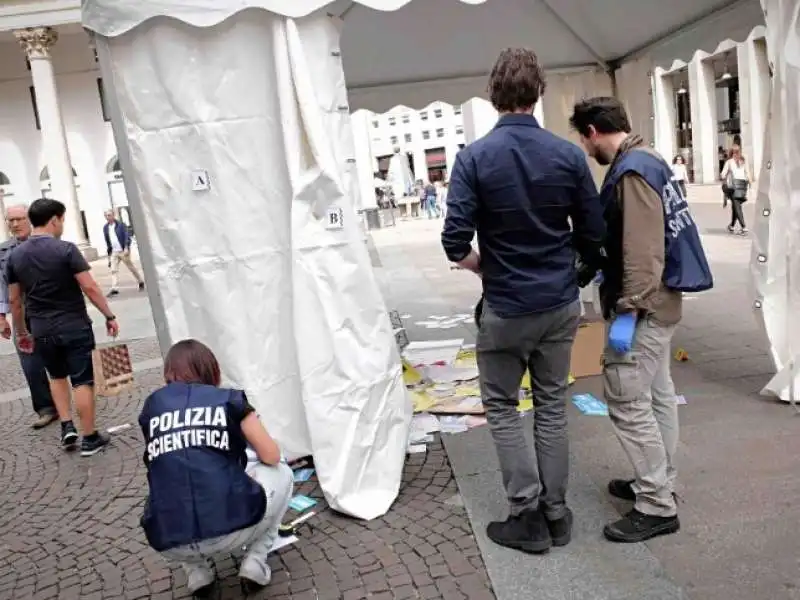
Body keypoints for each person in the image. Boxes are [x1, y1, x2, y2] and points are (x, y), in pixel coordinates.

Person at [442, 48, 606, 554]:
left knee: (503, 405)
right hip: (558, 304)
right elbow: (593, 232)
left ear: (494, 95)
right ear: (539, 93)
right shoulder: (567, 155)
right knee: (553, 406)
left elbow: (454, 241)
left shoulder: (473, 158)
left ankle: (525, 514)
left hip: (507, 306)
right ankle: (556, 513)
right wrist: (570, 272)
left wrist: (481, 265)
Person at [570, 96, 711, 543]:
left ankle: (656, 503)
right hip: (663, 302)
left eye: (583, 138)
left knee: (627, 398)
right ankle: (657, 478)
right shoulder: (649, 158)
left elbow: (642, 251)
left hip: (645, 306)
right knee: (656, 395)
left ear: (593, 132)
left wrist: (627, 312)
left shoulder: (631, 171)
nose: (586, 148)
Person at [139, 339, 293, 596]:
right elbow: (271, 455)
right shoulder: (230, 400)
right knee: (283, 472)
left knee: (166, 488)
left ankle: (197, 573)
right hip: (233, 527)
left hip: (168, 539)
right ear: (211, 369)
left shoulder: (152, 407)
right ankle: (256, 559)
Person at [7, 198, 117, 455]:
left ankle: (67, 425)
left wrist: (22, 331)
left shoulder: (16, 256)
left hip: (41, 329)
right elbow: (89, 286)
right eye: (63, 220)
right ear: (55, 219)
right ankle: (89, 437)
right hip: (73, 324)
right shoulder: (66, 249)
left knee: (56, 377)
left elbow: (15, 300)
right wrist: (109, 315)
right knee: (81, 380)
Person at [0, 204, 56, 428]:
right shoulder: (3, 251)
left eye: (19, 219)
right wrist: (1, 316)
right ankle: (45, 408)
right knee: (30, 363)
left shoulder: (48, 244)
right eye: (10, 220)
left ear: (30, 220)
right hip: (20, 312)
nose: (15, 224)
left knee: (58, 355)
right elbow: (2, 286)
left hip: (49, 308)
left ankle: (75, 394)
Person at [103, 209, 145, 297]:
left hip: (122, 250)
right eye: (106, 215)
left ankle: (140, 281)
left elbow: (126, 236)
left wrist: (126, 247)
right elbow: (107, 241)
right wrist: (109, 253)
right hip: (114, 252)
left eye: (110, 215)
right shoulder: (106, 228)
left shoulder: (120, 225)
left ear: (113, 215)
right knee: (113, 270)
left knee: (131, 267)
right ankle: (114, 288)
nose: (108, 217)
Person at [721, 145, 750, 235]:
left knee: (737, 207)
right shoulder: (743, 161)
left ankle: (744, 227)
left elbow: (722, 175)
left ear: (731, 152)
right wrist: (749, 184)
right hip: (743, 186)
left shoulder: (729, 162)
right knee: (735, 206)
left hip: (733, 187)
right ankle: (732, 226)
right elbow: (748, 174)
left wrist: (725, 175)